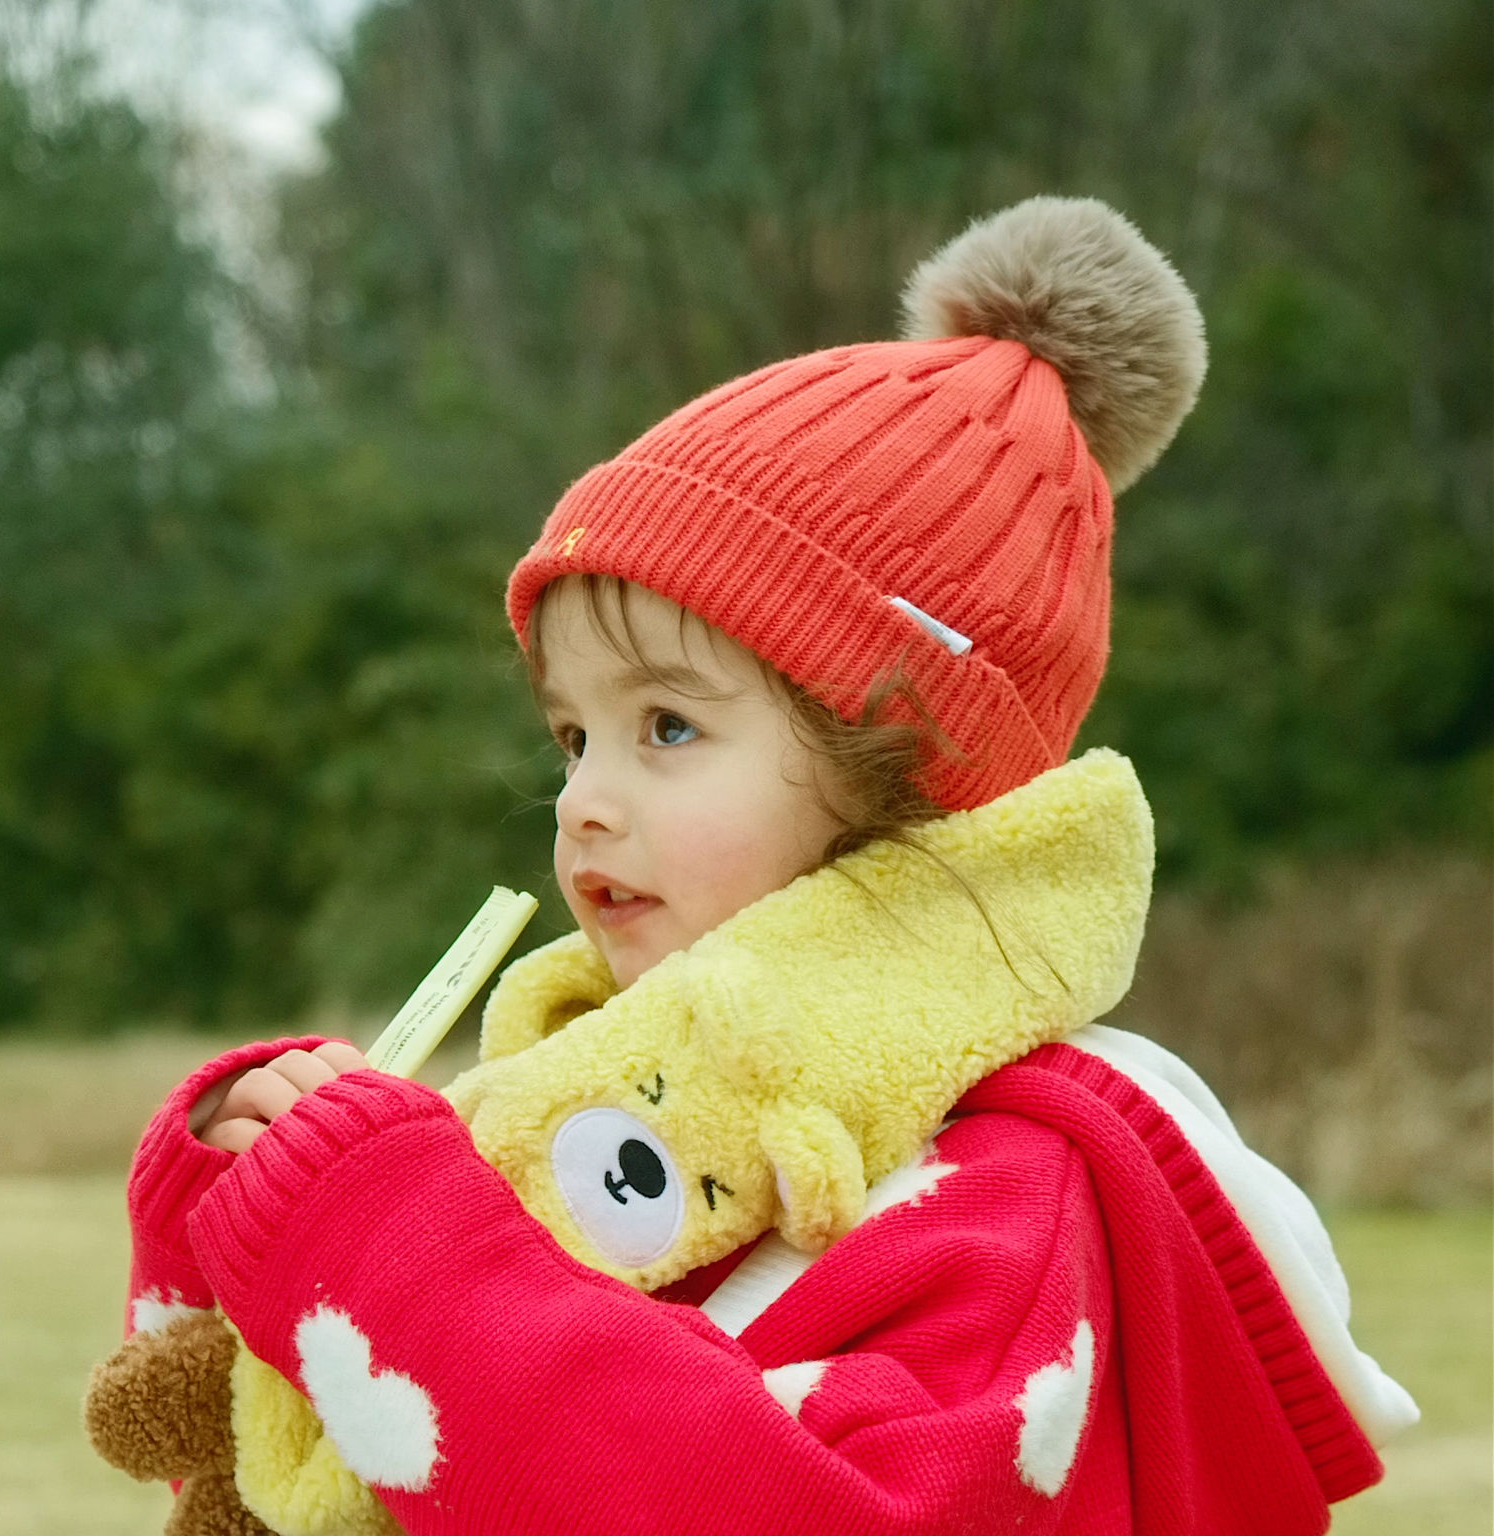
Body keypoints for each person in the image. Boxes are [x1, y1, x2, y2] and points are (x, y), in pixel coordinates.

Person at [114, 197, 1417, 1533]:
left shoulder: (1005, 1206)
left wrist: (404, 1254)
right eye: (572, 736)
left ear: (910, 770)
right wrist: (241, 1208)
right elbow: (316, 1480)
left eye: (667, 725)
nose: (582, 805)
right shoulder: (640, 1102)